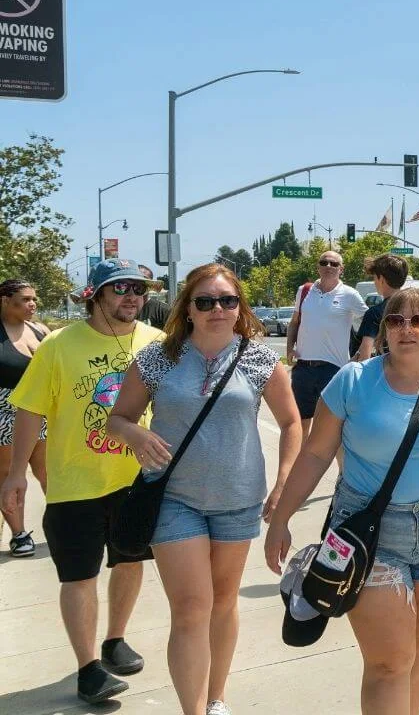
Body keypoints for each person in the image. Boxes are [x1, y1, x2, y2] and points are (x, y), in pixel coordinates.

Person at [265, 287, 419, 715]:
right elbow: (315, 454)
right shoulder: (353, 381)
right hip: (367, 535)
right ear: (384, 328)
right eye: (396, 320)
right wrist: (281, 519)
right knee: (390, 661)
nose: (407, 329)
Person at [107, 263, 302, 715]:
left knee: (223, 601)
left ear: (240, 307)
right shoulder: (159, 358)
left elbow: (293, 423)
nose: (218, 309)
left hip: (238, 500)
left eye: (227, 300)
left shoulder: (257, 358)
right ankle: (192, 710)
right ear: (188, 309)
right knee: (193, 607)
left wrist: (283, 484)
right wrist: (137, 435)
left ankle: (216, 698)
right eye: (206, 301)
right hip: (174, 497)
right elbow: (117, 419)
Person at [0, 258, 163, 705]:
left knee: (130, 562)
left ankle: (115, 639)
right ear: (94, 294)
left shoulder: (158, 343)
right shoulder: (58, 345)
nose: (132, 296)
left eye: (139, 289)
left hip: (137, 481)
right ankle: (88, 668)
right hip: (75, 483)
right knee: (79, 576)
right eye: (120, 288)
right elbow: (29, 408)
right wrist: (17, 473)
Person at [286, 251, 368, 444]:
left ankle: (342, 473)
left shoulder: (350, 295)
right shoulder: (304, 290)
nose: (328, 266)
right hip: (304, 368)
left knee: (334, 428)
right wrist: (289, 347)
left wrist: (359, 354)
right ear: (318, 266)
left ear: (341, 269)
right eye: (324, 262)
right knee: (299, 424)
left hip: (334, 370)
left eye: (334, 263)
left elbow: (371, 323)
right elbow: (294, 322)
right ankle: (297, 469)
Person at [0, 279, 49, 557]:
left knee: (49, 472)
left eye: (34, 299)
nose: (32, 304)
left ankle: (63, 524)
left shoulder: (39, 330)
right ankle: (19, 534)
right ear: (6, 300)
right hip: (5, 414)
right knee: (9, 475)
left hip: (41, 411)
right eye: (25, 299)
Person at [354, 254, 409, 361]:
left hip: (387, 373)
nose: (374, 282)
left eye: (374, 278)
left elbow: (365, 356)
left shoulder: (375, 312)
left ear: (381, 279)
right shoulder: (416, 307)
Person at [137, 264, 170, 329]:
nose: (138, 287)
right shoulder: (124, 309)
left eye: (144, 283)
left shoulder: (163, 310)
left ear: (151, 285)